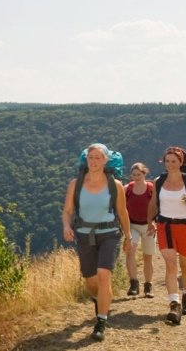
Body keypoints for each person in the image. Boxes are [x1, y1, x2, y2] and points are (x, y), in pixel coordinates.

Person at [62, 143, 131, 342]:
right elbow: (67, 211)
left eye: (98, 158)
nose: (93, 161)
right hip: (84, 235)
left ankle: (101, 321)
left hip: (109, 234)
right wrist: (66, 226)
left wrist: (128, 236)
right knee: (91, 280)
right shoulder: (75, 184)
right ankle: (99, 299)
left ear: (105, 160)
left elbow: (122, 212)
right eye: (90, 157)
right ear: (86, 160)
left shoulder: (115, 185)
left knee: (103, 275)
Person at [150, 146, 186, 325]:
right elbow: (153, 204)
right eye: (167, 161)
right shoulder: (158, 182)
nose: (170, 164)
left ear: (181, 162)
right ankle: (175, 305)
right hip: (164, 226)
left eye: (174, 161)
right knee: (171, 264)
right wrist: (150, 221)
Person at [122, 162, 158, 298]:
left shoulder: (151, 188)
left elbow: (157, 206)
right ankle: (133, 283)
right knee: (130, 252)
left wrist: (153, 222)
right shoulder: (127, 189)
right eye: (134, 175)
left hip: (148, 226)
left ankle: (148, 286)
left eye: (139, 174)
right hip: (132, 225)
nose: (136, 177)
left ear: (144, 174)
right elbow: (121, 207)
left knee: (148, 257)